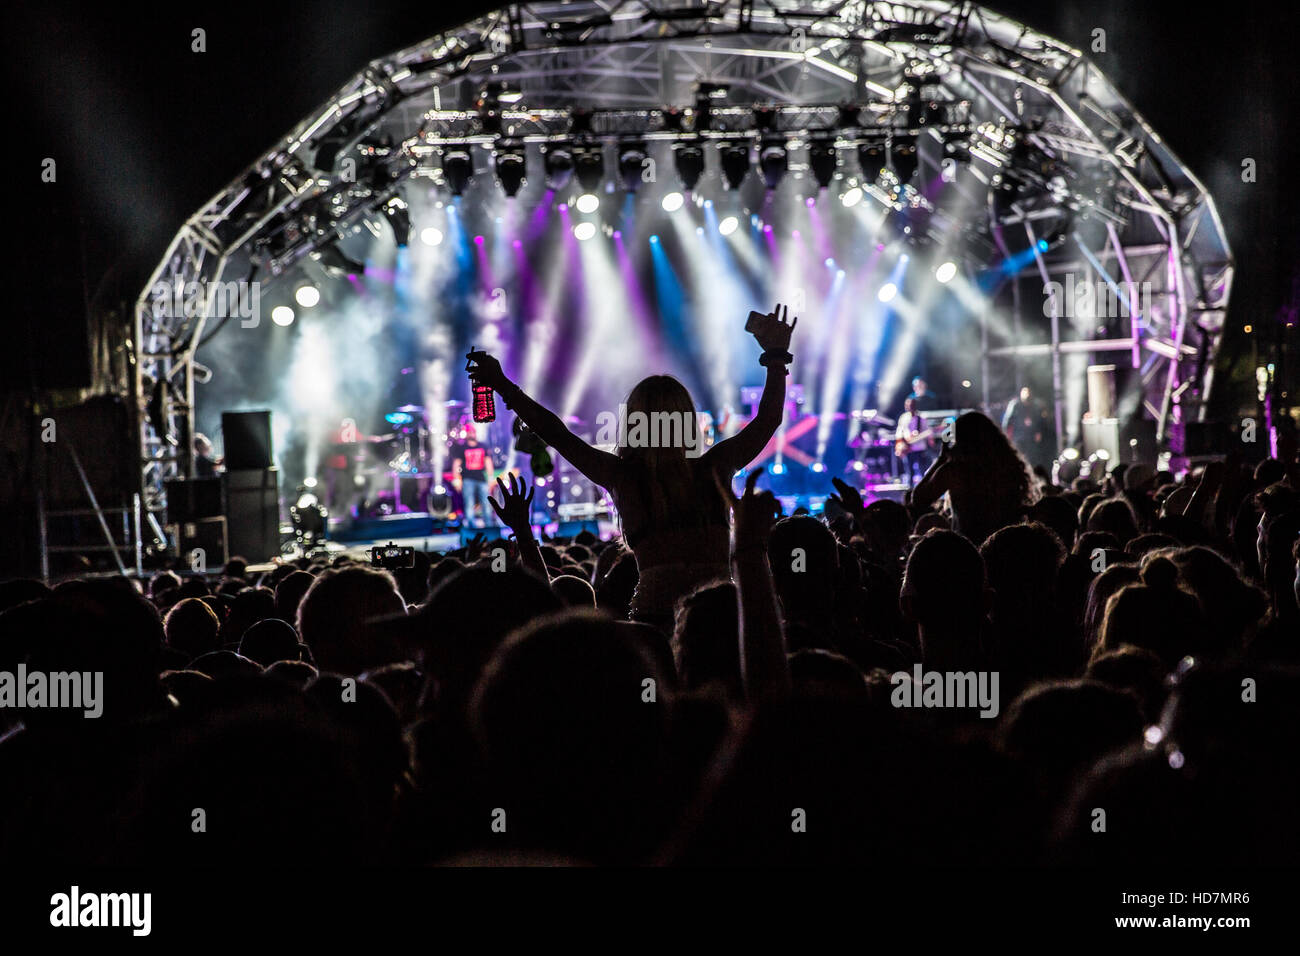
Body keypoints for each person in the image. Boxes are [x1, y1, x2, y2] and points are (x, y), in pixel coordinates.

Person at [466, 303, 797, 632]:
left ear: (633, 423)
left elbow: (556, 434)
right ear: (686, 421)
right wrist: (776, 357)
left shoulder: (623, 477)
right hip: (722, 624)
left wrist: (502, 385)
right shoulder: (714, 468)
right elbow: (768, 419)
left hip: (653, 626)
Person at [911, 410, 1036, 547]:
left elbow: (918, 499)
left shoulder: (955, 471)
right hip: (1004, 545)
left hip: (968, 549)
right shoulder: (1006, 467)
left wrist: (941, 459)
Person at [452, 426, 495, 528]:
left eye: (473, 432)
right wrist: (456, 479)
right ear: (466, 434)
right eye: (470, 432)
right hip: (467, 479)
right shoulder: (462, 448)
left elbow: (488, 462)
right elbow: (456, 464)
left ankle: (489, 525)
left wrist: (490, 478)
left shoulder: (482, 446)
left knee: (486, 503)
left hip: (481, 478)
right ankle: (471, 527)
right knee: (469, 504)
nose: (472, 434)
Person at [1002, 386, 1051, 471]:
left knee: (1033, 458)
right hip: (1019, 436)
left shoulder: (1036, 406)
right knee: (1019, 457)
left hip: (1031, 437)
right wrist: (1006, 435)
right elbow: (1007, 420)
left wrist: (1039, 432)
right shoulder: (1015, 405)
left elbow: (1040, 420)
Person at [894, 397, 934, 487]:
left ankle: (923, 487)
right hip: (908, 448)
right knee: (909, 470)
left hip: (919, 447)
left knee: (922, 469)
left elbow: (927, 431)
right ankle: (910, 488)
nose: (909, 406)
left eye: (911, 404)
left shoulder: (922, 418)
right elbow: (899, 431)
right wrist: (899, 445)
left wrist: (930, 439)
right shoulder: (903, 417)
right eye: (908, 405)